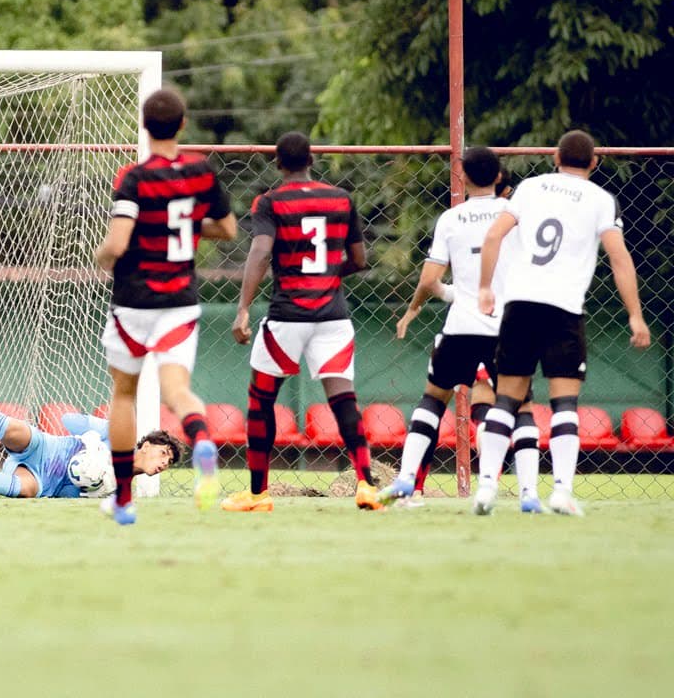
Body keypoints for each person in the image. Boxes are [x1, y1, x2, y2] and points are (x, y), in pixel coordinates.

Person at [475, 130, 650, 516]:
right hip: (563, 308)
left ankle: (486, 487)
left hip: (520, 303)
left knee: (506, 398)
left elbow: (493, 236)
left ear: (555, 157)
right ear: (594, 162)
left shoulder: (530, 187)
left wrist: (486, 288)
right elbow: (619, 259)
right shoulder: (601, 200)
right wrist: (635, 315)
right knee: (564, 403)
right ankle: (561, 491)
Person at [94, 87, 237, 524]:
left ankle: (122, 499)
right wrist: (191, 228)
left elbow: (117, 242)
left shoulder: (133, 178)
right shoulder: (202, 172)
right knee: (176, 392)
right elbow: (228, 230)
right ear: (183, 124)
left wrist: (100, 256)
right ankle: (204, 444)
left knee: (124, 394)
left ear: (143, 124)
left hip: (134, 302)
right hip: (179, 302)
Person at [381, 147, 543, 512]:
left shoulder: (451, 219)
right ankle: (529, 494)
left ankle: (406, 480)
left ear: (463, 177)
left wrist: (417, 307)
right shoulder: (516, 216)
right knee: (522, 407)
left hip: (462, 325)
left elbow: (430, 279)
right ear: (500, 176)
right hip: (509, 326)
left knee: (433, 399)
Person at [224, 131, 377, 512]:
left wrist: (243, 307)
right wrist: (327, 276)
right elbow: (360, 260)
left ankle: (258, 495)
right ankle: (367, 485)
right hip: (333, 316)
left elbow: (260, 253)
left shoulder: (270, 202)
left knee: (261, 401)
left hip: (287, 316)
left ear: (278, 162)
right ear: (312, 160)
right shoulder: (342, 199)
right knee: (343, 399)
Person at [0, 379, 180, 498]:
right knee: (18, 430)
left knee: (27, 490)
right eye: (164, 453)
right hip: (45, 448)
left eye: (169, 462)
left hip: (44, 481)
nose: (164, 463)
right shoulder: (115, 437)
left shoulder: (118, 489)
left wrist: (89, 478)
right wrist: (94, 443)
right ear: (145, 444)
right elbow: (68, 421)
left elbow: (66, 493)